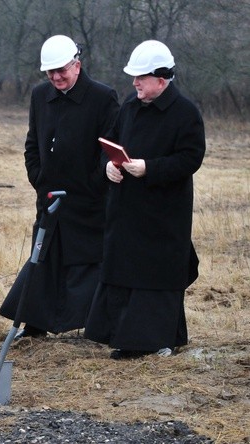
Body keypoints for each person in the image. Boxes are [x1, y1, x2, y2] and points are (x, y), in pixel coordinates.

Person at [84, 40, 205, 359]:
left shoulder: (186, 113)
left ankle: (154, 340)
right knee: (123, 270)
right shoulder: (130, 105)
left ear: (162, 80)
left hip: (164, 215)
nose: (134, 82)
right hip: (126, 210)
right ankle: (120, 335)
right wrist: (108, 166)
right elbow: (108, 143)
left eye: (141, 77)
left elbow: (191, 158)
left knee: (155, 277)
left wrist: (150, 168)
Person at [0, 35, 119, 338]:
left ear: (77, 65)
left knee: (87, 262)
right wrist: (38, 177)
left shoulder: (103, 97)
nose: (56, 77)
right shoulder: (40, 95)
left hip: (88, 199)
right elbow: (32, 143)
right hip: (49, 196)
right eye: (50, 72)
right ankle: (35, 323)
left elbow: (109, 145)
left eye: (61, 70)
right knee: (43, 258)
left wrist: (95, 181)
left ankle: (94, 326)